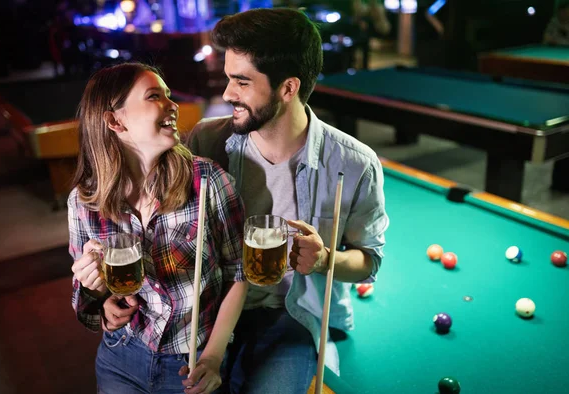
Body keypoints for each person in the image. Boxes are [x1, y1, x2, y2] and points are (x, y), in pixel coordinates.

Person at [104, 7, 389, 393]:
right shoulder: (206, 141)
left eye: (241, 82)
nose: (226, 94)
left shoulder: (354, 164)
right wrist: (109, 296)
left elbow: (368, 260)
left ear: (288, 88)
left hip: (288, 317)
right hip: (208, 312)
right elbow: (158, 224)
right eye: (228, 78)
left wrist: (325, 260)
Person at [68, 62, 248, 394]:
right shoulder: (83, 202)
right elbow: (91, 306)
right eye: (155, 96)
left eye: (168, 95)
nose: (172, 104)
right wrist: (97, 294)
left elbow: (239, 274)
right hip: (120, 355)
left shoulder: (208, 180)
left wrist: (212, 357)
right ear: (114, 120)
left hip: (190, 364)